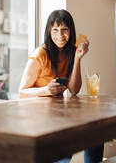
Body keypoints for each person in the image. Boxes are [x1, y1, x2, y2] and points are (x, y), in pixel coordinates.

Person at [19, 9, 104, 163]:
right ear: (49, 31)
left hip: (59, 116)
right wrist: (46, 90)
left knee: (95, 134)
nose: (60, 35)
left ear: (71, 31)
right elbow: (22, 91)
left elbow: (74, 89)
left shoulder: (71, 51)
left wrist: (78, 58)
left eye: (64, 29)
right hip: (39, 118)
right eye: (55, 30)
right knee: (63, 152)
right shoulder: (39, 55)